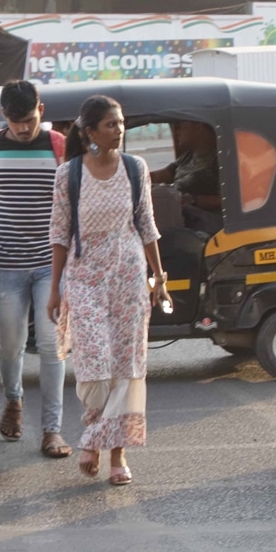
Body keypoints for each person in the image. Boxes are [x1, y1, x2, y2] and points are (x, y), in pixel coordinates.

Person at [46, 95, 172, 486]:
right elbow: (59, 234)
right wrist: (55, 289)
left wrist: (160, 279)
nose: (119, 130)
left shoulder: (135, 169)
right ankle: (95, 434)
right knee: (94, 366)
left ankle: (113, 453)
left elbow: (147, 226)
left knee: (125, 367)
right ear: (90, 133)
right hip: (85, 281)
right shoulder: (69, 175)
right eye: (111, 124)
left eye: (121, 123)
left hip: (128, 278)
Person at [0, 80, 71, 458]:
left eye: (29, 120)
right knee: (11, 345)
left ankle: (52, 430)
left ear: (41, 111)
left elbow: (68, 206)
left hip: (50, 263)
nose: (22, 128)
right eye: (15, 121)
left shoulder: (58, 146)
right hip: (5, 263)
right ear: (4, 118)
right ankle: (13, 400)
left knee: (51, 346)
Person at [149, 120, 224, 235]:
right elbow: (159, 176)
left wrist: (193, 200)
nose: (177, 132)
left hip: (203, 224)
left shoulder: (221, 160)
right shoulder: (188, 157)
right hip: (178, 214)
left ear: (199, 128)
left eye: (182, 126)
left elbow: (232, 199)